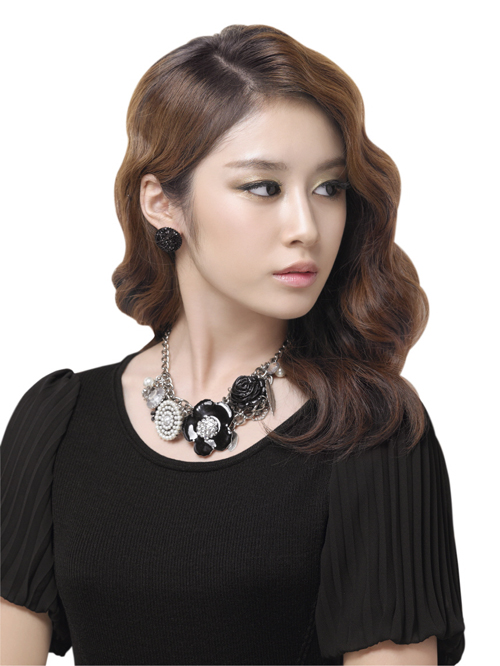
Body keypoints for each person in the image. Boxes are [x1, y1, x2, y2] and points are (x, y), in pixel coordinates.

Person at [0, 23, 465, 666]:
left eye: (328, 188)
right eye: (264, 187)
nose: (306, 226)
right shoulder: (57, 423)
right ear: (162, 203)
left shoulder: (372, 436)